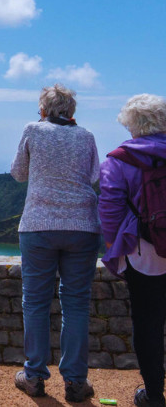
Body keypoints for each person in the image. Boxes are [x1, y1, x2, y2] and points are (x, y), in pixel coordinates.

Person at [10, 84, 101, 403]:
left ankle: (34, 376)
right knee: (75, 303)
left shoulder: (33, 130)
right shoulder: (86, 136)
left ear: (43, 110)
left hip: (39, 226)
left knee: (35, 301)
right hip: (82, 226)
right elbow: (94, 177)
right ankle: (76, 382)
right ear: (71, 111)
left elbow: (18, 173)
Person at [98, 94, 166, 407]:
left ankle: (153, 395)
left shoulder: (120, 160)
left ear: (132, 126)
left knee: (148, 323)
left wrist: (113, 247)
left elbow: (109, 209)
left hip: (143, 253)